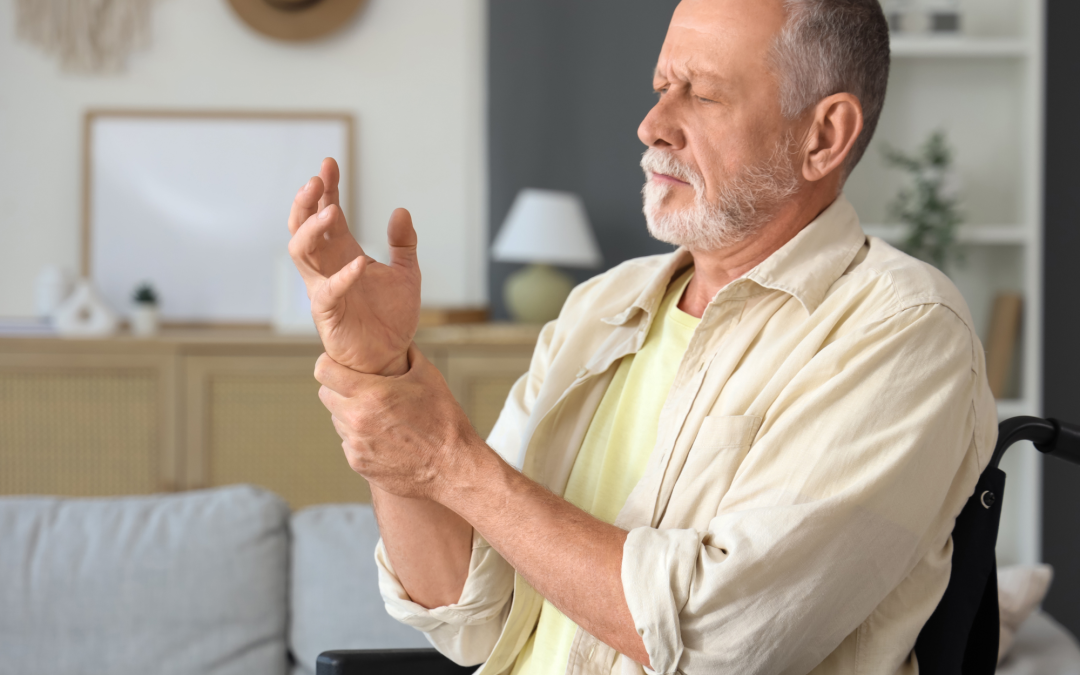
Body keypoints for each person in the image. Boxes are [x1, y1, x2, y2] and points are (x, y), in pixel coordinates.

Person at [285, 0, 996, 673]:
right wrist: (383, 376)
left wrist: (452, 461)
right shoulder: (601, 304)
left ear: (823, 137)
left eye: (703, 94)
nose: (653, 123)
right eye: (661, 87)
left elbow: (719, 639)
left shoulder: (903, 330)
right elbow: (467, 612)